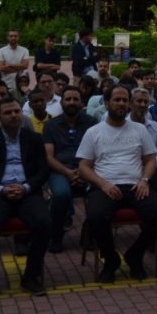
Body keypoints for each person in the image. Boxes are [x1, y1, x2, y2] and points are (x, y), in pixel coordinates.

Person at [78, 86, 157, 283]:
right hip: (104, 186)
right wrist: (103, 184)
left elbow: (151, 160)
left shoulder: (140, 130)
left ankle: (135, 254)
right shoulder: (94, 132)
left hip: (136, 185)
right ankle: (111, 260)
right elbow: (84, 167)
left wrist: (144, 180)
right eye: (117, 100)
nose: (121, 104)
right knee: (96, 216)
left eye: (124, 100)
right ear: (107, 103)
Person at [0, 97, 51, 301]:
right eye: (8, 113)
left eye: (17, 111)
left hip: (27, 192)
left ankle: (31, 276)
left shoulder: (33, 138)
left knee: (44, 223)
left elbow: (43, 171)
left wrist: (26, 188)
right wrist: (1, 189)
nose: (14, 115)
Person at [43, 87, 95, 252]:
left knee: (98, 194)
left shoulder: (92, 122)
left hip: (87, 169)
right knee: (61, 195)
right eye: (68, 99)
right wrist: (68, 173)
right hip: (60, 171)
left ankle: (89, 233)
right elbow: (49, 157)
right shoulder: (51, 125)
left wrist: (84, 171)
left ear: (81, 103)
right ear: (62, 102)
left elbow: (99, 151)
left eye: (75, 99)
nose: (72, 102)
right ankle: (56, 235)